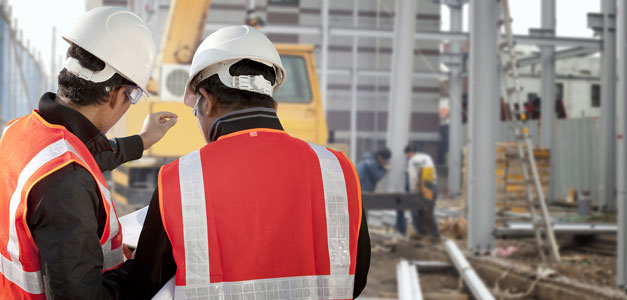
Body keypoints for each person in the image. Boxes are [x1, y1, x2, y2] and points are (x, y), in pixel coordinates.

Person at [128, 25, 370, 300]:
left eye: (196, 110)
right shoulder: (338, 170)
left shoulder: (179, 180)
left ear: (206, 102)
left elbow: (143, 286)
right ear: (273, 105)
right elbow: (355, 276)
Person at [0, 7, 177, 299]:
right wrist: (147, 266)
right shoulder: (65, 180)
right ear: (117, 94)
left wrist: (143, 140)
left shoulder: (23, 130)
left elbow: (83, 156)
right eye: (132, 96)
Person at [395, 144, 440, 239]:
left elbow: (413, 178)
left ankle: (420, 233)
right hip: (432, 186)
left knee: (415, 211)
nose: (407, 157)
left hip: (420, 189)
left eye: (407, 155)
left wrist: (412, 192)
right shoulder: (427, 157)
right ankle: (435, 235)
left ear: (409, 153)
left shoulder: (412, 161)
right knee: (429, 211)